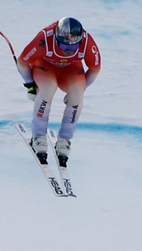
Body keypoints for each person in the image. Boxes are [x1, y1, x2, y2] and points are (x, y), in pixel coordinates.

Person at [16, 17, 101, 166]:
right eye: (63, 45)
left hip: (70, 69)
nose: (69, 50)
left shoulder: (87, 42)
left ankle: (64, 140)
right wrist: (30, 85)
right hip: (45, 66)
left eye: (74, 47)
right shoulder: (44, 38)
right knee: (48, 90)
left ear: (80, 41)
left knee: (76, 95)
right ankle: (38, 137)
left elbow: (95, 69)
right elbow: (22, 62)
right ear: (56, 39)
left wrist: (80, 91)